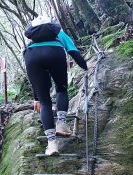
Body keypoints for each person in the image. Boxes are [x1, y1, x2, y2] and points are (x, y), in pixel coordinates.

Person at [23, 15, 88, 156]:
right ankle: (62, 124)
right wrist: (85, 66)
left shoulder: (31, 40)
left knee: (44, 101)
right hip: (55, 53)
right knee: (61, 89)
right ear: (51, 25)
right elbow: (73, 51)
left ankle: (52, 144)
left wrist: (36, 97)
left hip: (32, 57)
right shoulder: (58, 32)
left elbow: (33, 78)